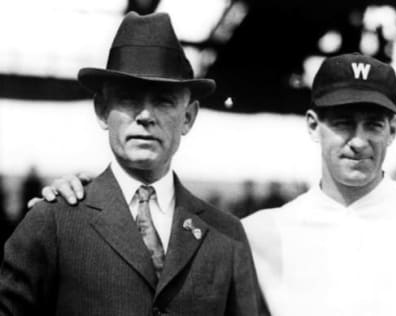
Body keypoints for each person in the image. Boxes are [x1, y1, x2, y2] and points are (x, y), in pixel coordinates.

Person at [37, 53, 396, 315]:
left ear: (395, 128)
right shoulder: (253, 234)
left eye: (374, 125)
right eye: (343, 123)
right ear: (313, 125)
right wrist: (82, 199)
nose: (358, 142)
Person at [0, 12, 264, 316]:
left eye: (164, 101)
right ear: (101, 110)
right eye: (128, 99)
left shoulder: (226, 236)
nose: (145, 116)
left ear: (188, 117)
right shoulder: (53, 221)